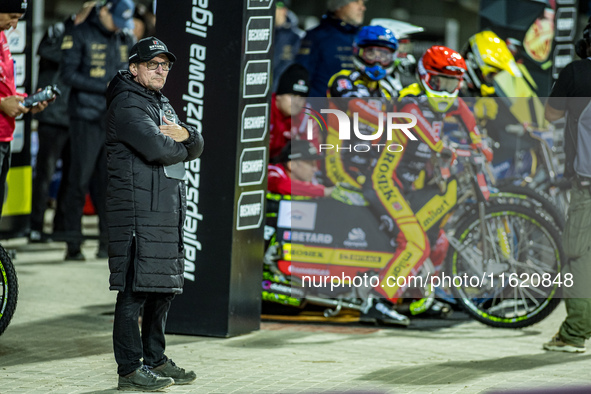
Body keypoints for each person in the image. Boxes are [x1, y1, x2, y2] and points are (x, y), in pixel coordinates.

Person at [106, 36, 203, 390]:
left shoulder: (157, 100)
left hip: (160, 209)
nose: (160, 70)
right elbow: (160, 148)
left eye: (165, 65)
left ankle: (156, 359)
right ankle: (130, 369)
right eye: (152, 64)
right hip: (136, 212)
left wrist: (188, 135)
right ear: (134, 68)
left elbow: (193, 140)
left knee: (161, 289)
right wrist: (187, 141)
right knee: (134, 292)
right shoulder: (128, 104)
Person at [59, 0, 136, 260]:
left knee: (110, 184)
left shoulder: (125, 37)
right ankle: (73, 246)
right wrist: (103, 86)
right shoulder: (80, 34)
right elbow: (67, 74)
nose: (118, 26)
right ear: (103, 10)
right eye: (115, 19)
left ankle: (106, 245)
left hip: (114, 121)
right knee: (78, 181)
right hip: (85, 117)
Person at [29, 2, 96, 243]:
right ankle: (35, 226)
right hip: (52, 117)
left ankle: (59, 227)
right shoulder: (58, 30)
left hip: (76, 118)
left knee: (71, 176)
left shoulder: (91, 38)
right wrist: (76, 26)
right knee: (44, 175)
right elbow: (47, 53)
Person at [542, 22, 591, 354]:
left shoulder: (577, 72)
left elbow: (551, 115)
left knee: (579, 256)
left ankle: (574, 334)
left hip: (587, 187)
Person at [0, 1, 49, 218]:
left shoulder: (2, 37)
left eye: (18, 18)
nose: (13, 25)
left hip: (4, 134)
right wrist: (1, 104)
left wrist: (26, 101)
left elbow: (5, 88)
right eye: (11, 16)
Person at [296, 0, 366, 98]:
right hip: (323, 108)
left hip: (358, 107)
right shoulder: (317, 36)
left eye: (363, 4)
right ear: (338, 6)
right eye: (356, 2)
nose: (362, 8)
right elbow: (301, 76)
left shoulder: (364, 38)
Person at [269, 63, 319, 160]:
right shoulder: (263, 110)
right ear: (279, 96)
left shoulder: (306, 117)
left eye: (301, 97)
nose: (296, 102)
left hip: (286, 168)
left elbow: (313, 155)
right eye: (292, 96)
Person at [268, 140, 333, 197]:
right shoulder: (272, 172)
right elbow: (280, 185)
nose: (315, 169)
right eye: (311, 164)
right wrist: (325, 192)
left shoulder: (314, 179)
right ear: (292, 165)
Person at [272, 0, 304, 92]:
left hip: (283, 95)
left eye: (276, 7)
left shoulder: (297, 37)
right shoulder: (261, 33)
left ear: (284, 10)